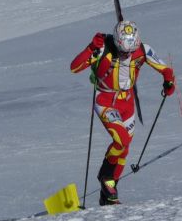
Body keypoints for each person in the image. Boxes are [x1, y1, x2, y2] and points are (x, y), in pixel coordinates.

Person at [70, 20, 175, 205]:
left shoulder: (142, 49)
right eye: (123, 51)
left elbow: (165, 68)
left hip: (127, 103)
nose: (127, 55)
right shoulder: (103, 48)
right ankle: (105, 177)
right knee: (121, 140)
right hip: (106, 101)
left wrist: (168, 81)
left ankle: (109, 195)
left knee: (124, 149)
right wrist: (90, 48)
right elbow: (74, 67)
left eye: (130, 52)